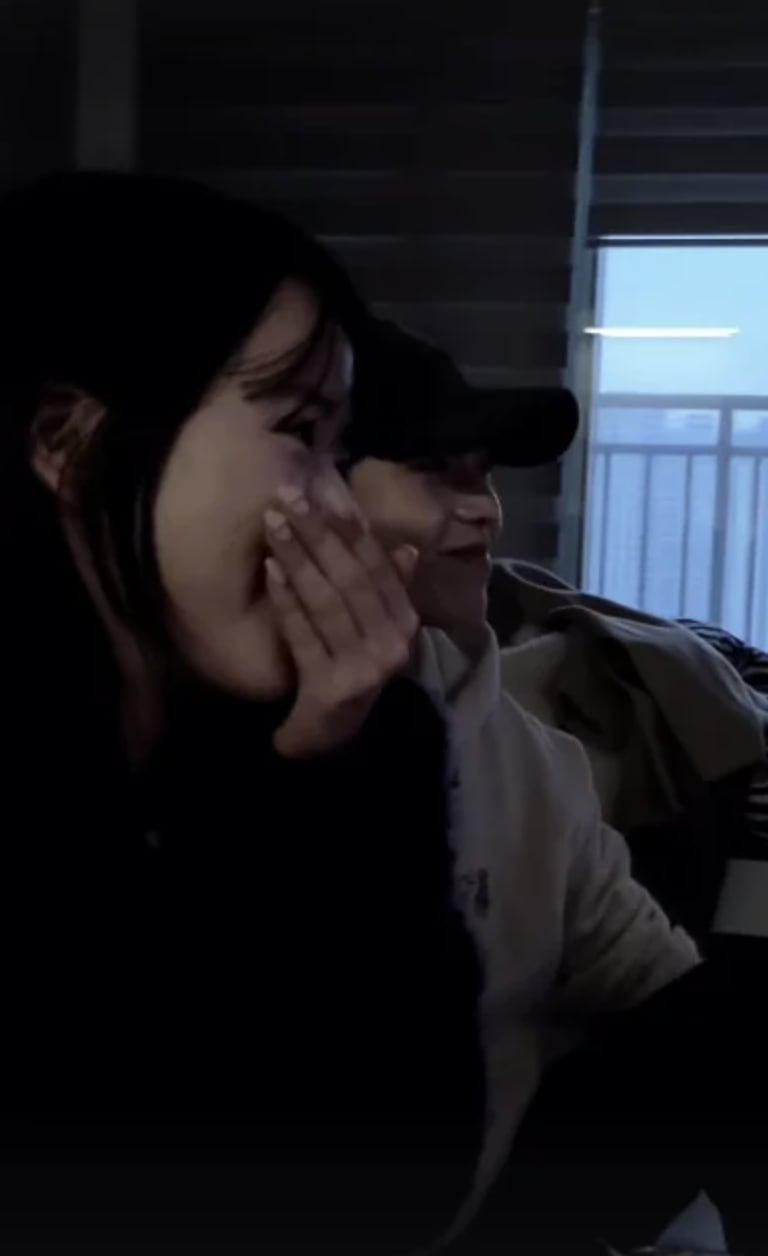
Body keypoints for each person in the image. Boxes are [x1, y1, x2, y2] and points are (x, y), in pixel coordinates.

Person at [0, 171, 490, 1254]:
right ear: (68, 441)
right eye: (299, 432)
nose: (336, 503)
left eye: (340, 451)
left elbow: (400, 1187)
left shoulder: (337, 741)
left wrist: (338, 769)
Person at [345, 318, 768, 1256]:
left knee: (767, 999)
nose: (486, 512)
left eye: (484, 476)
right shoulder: (214, 746)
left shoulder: (523, 754)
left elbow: (656, 979)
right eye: (438, 474)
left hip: (500, 1197)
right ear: (311, 497)